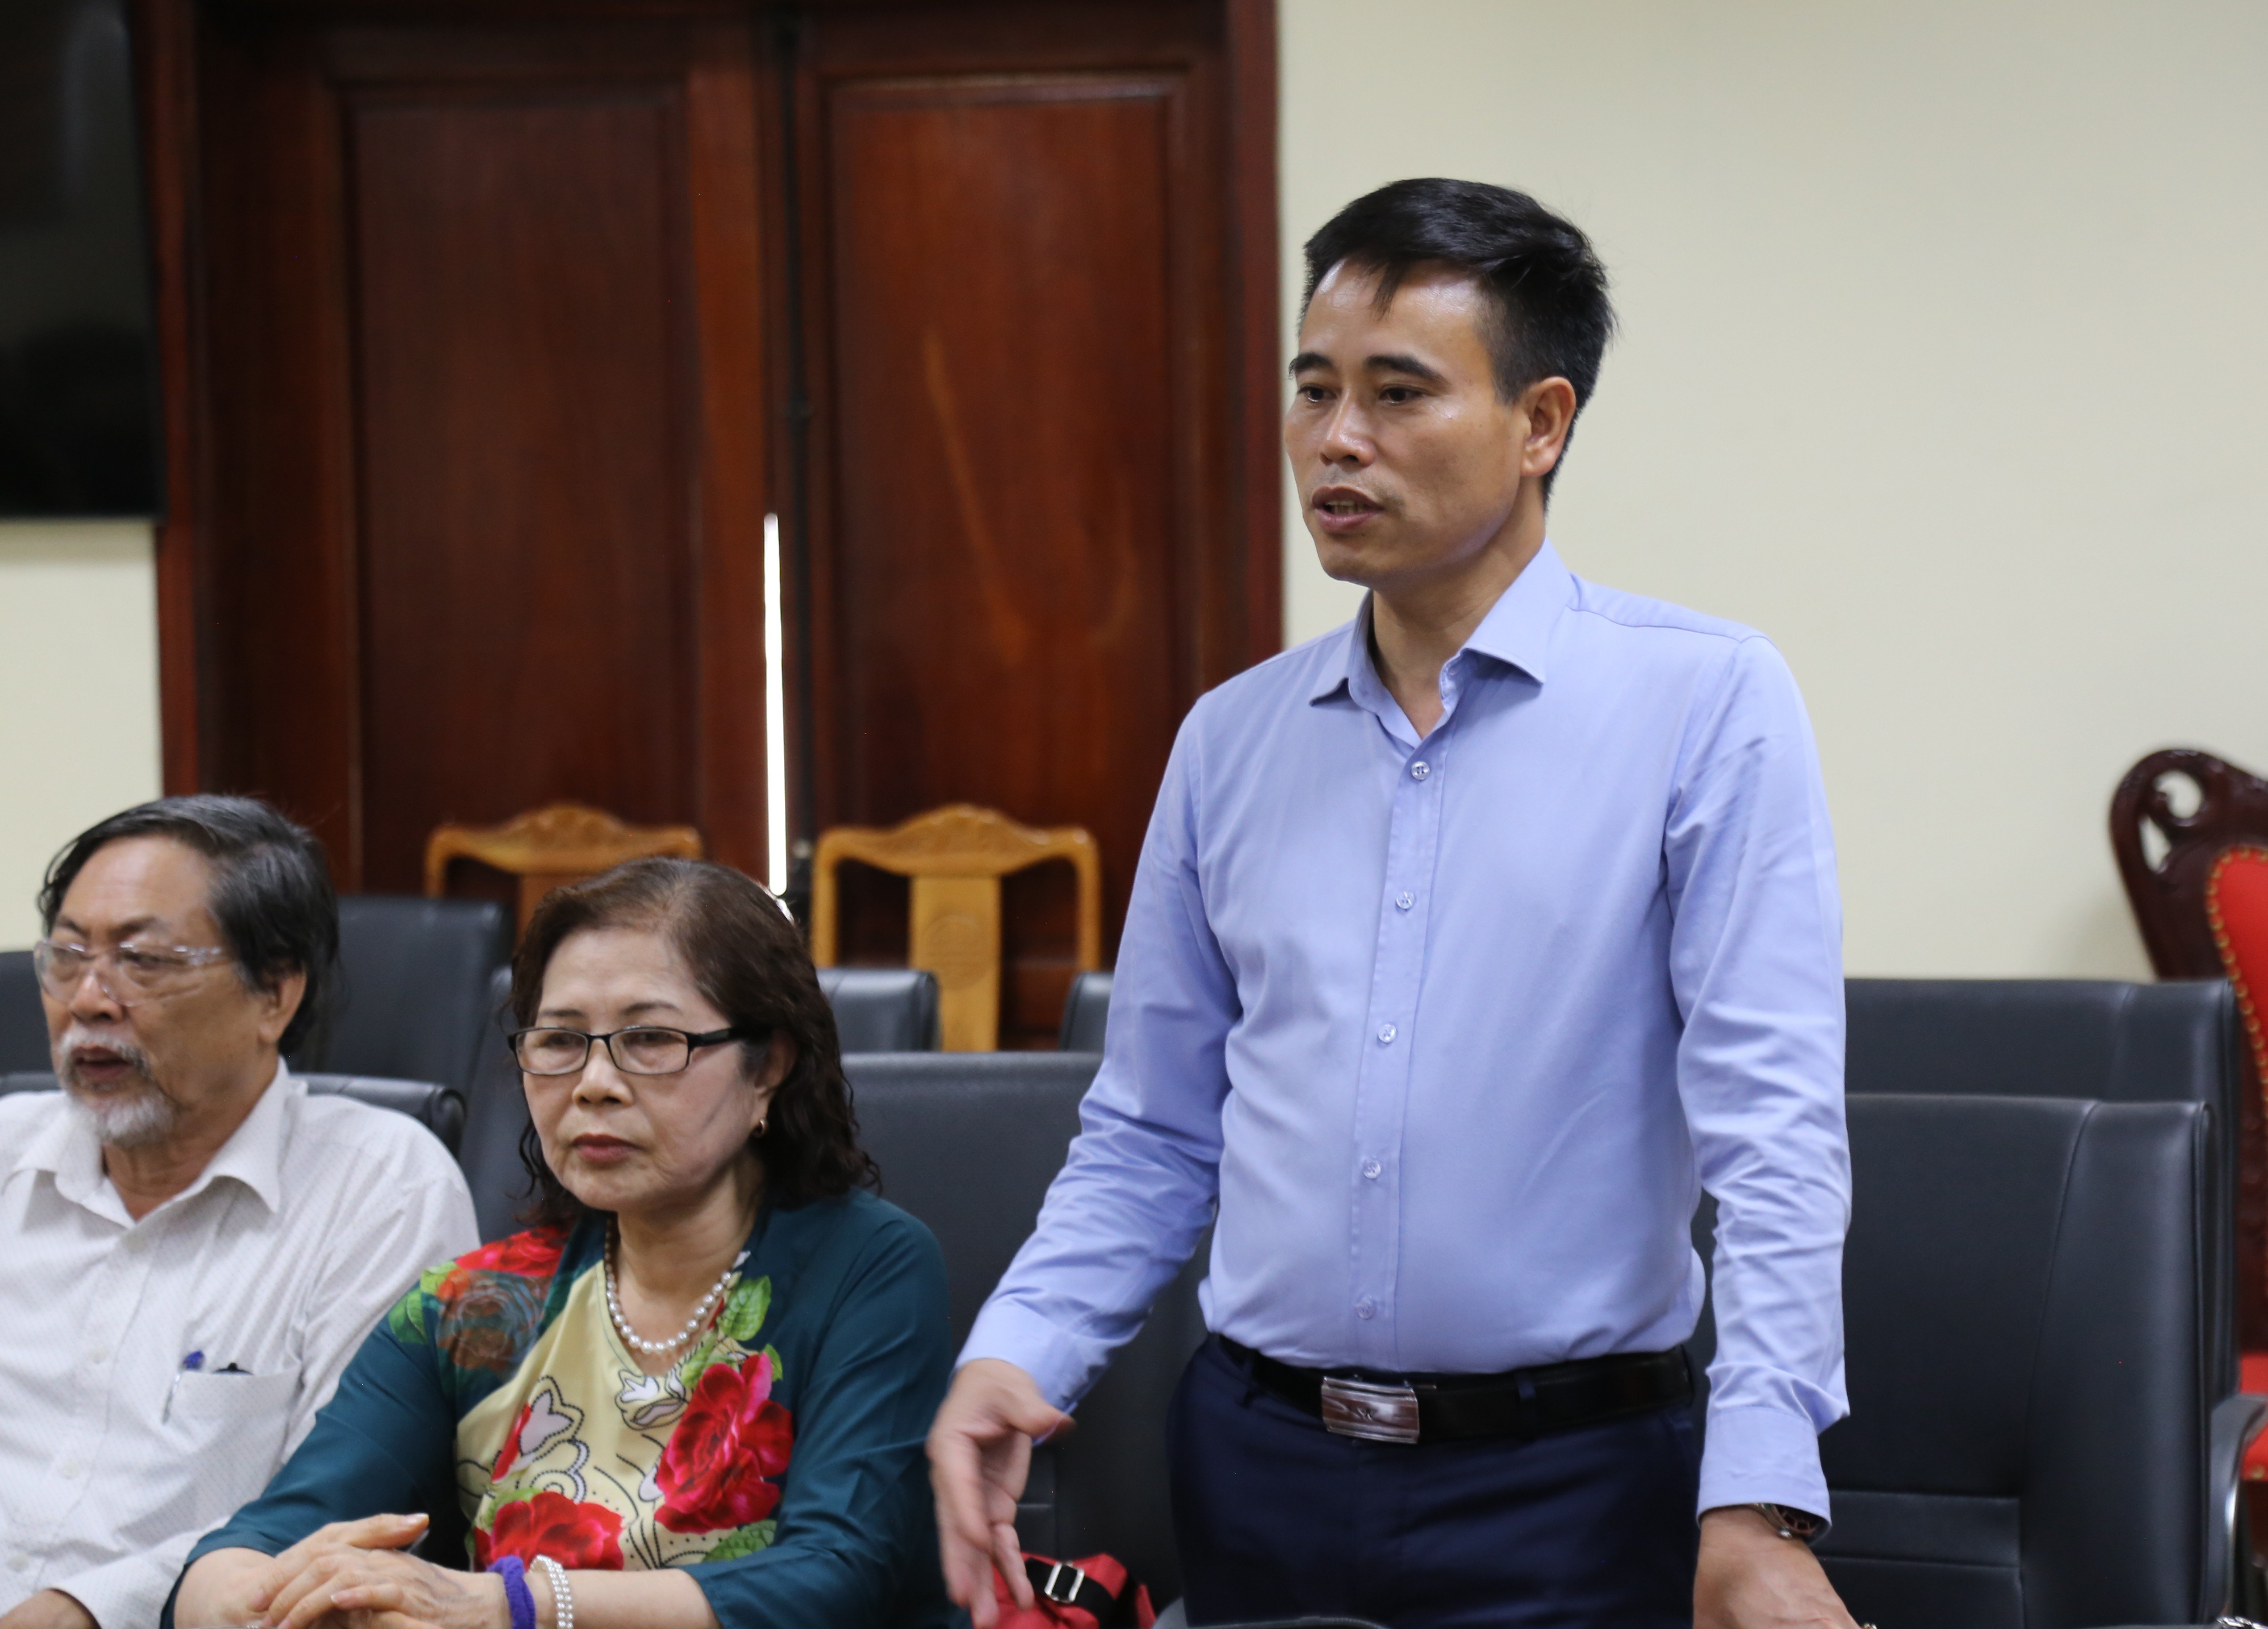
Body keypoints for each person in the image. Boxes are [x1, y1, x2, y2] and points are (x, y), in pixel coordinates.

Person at [929, 178, 1858, 1629]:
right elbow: (1152, 1129)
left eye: (1397, 392)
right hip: (1258, 1464)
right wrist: (1017, 1351)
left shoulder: (1705, 703)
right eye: (1313, 391)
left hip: (1576, 1479)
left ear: (1541, 421)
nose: (1335, 440)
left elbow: (1777, 1142)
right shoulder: (1231, 737)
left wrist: (1754, 1497)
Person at [172, 857, 956, 1629]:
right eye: (559, 1041)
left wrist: (511, 1605)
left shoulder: (870, 1266)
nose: (594, 1084)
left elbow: (838, 1578)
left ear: (769, 1066)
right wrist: (250, 1601)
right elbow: (278, 1531)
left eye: (650, 1039)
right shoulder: (472, 1306)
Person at [0, 796, 479, 1629]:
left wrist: (79, 1611)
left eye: (142, 960)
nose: (89, 999)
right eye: (68, 958)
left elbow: (343, 1513)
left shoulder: (382, 1189)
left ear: (275, 994)